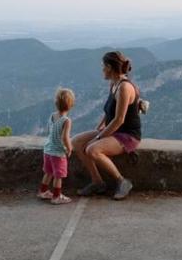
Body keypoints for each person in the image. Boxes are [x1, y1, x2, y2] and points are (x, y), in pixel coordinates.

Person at [73, 51, 141, 200]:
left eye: (103, 66)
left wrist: (98, 137)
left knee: (92, 149)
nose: (102, 69)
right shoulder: (114, 84)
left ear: (110, 67)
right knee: (76, 142)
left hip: (127, 135)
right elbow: (109, 111)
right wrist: (99, 128)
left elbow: (119, 120)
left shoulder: (124, 88)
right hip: (114, 130)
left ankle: (122, 181)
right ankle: (97, 182)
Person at [38, 88, 75, 205]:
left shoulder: (52, 116)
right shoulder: (66, 120)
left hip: (48, 149)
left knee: (48, 172)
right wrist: (69, 148)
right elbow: (65, 137)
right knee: (58, 175)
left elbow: (52, 131)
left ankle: (43, 191)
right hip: (58, 152)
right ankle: (56, 196)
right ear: (71, 105)